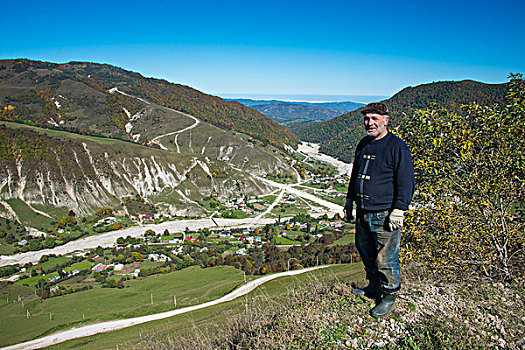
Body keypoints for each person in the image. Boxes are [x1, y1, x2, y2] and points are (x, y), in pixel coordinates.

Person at [344, 102, 414, 318]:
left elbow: (406, 181)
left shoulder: (396, 146)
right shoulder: (364, 143)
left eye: (375, 118)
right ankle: (373, 287)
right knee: (365, 251)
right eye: (367, 119)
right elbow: (355, 174)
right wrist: (349, 200)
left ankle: (389, 296)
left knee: (386, 257)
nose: (370, 123)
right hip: (363, 211)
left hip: (384, 214)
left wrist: (399, 210)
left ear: (386, 119)